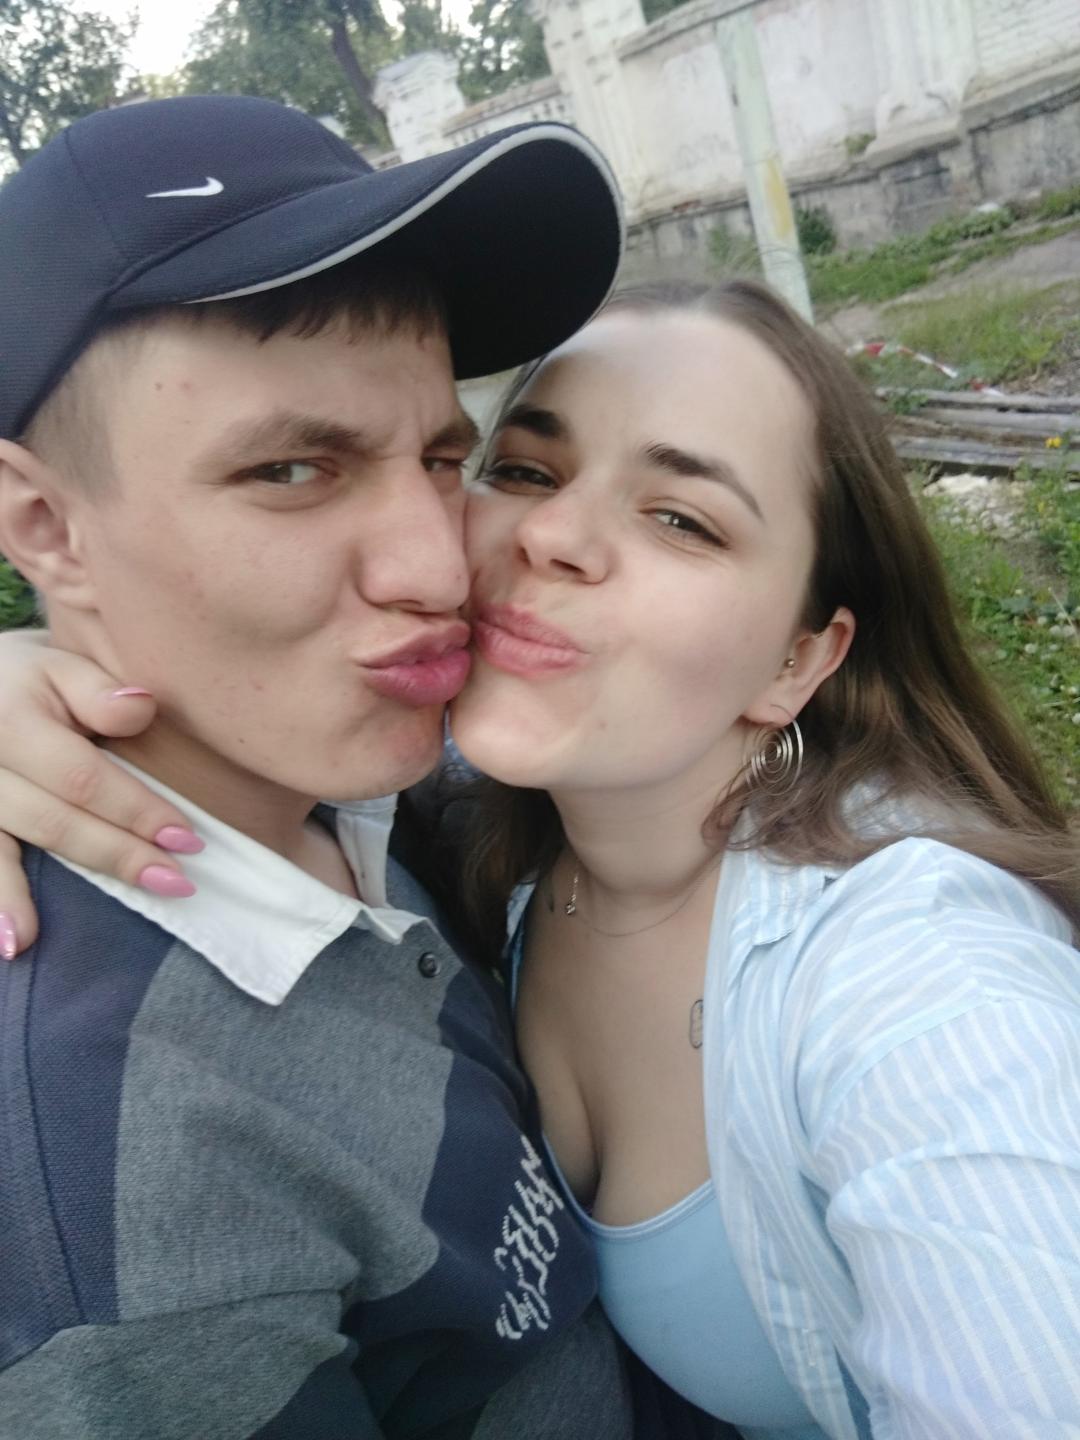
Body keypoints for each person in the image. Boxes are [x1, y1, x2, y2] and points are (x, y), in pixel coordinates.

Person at [1, 275, 1077, 1432]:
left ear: (798, 659)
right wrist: (50, 659)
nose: (551, 536)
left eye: (683, 519)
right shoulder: (459, 831)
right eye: (521, 470)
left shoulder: (927, 983)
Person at [0, 92, 647, 1439]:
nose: (436, 568)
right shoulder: (130, 1212)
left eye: (445, 455)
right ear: (46, 526)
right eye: (294, 470)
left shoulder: (359, 789)